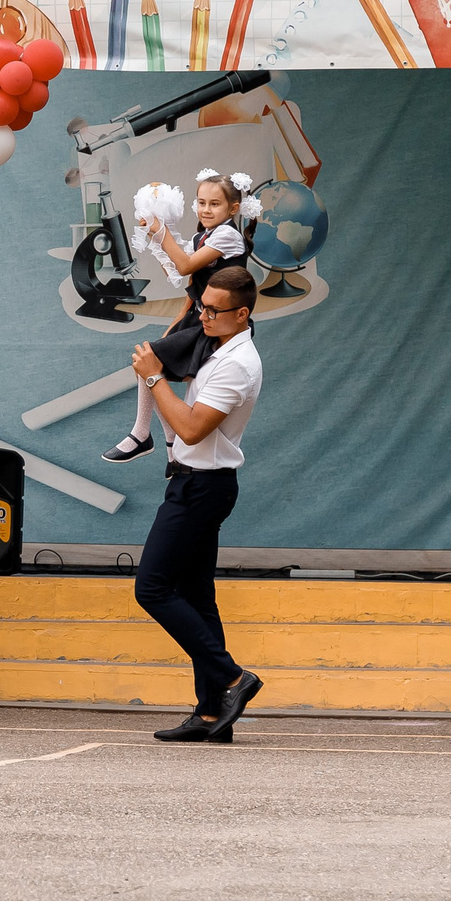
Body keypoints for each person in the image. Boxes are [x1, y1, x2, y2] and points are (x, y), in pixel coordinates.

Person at [128, 264, 266, 744]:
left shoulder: (238, 365)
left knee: (152, 589)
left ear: (242, 314)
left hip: (202, 488)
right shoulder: (218, 345)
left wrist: (152, 380)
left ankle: (232, 680)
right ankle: (211, 715)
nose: (203, 316)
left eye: (213, 310)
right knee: (197, 597)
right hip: (196, 482)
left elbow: (191, 428)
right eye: (202, 305)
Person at [106, 172, 250, 464]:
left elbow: (184, 266)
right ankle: (170, 449)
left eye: (214, 204)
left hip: (216, 321)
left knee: (149, 366)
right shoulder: (202, 237)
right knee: (148, 365)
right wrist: (176, 320)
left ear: (233, 208)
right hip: (198, 315)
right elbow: (186, 281)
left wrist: (163, 233)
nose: (206, 210)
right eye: (201, 203)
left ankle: (144, 435)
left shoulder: (227, 236)